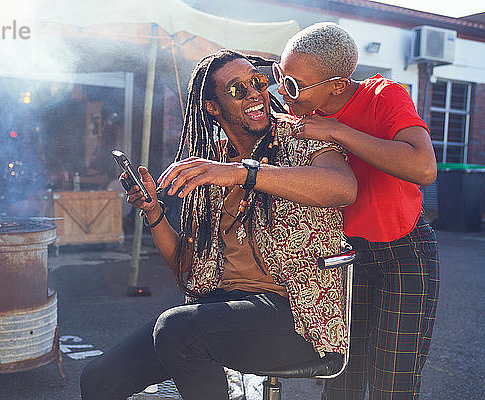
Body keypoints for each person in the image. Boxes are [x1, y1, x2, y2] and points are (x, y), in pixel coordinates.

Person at [79, 48, 357, 400]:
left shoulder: (301, 137)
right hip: (225, 307)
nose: (256, 93)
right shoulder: (212, 164)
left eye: (257, 81)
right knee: (98, 379)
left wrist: (243, 172)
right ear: (213, 107)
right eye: (238, 89)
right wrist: (154, 213)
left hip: (296, 315)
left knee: (177, 329)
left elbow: (343, 188)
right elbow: (186, 271)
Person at [273, 22, 439, 400]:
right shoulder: (297, 114)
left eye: (294, 84)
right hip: (341, 260)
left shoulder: (384, 95)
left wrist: (337, 132)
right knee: (339, 381)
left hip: (403, 254)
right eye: (280, 76)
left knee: (391, 385)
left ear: (336, 84)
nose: (282, 91)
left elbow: (424, 167)